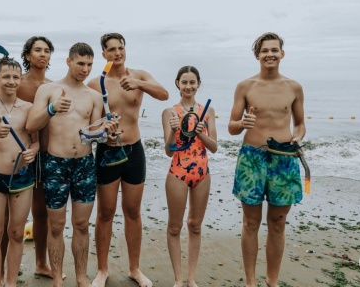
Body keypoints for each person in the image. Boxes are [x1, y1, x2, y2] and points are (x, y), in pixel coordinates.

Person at [27, 42, 118, 287]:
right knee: (56, 225)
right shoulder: (48, 90)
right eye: (80, 63)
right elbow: (31, 124)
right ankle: (57, 278)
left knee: (81, 225)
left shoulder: (94, 96)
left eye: (89, 65)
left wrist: (107, 131)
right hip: (55, 164)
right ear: (68, 61)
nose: (85, 69)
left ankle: (80, 278)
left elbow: (93, 134)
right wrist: (52, 108)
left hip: (85, 165)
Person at [0, 36, 57, 279]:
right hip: (6, 164)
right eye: (37, 50)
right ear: (27, 55)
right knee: (2, 224)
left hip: (40, 156)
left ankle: (40, 264)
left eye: (47, 50)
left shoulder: (52, 86)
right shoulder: (15, 82)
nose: (43, 54)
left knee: (39, 214)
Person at [87, 33, 169, 287]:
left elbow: (164, 94)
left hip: (134, 151)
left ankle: (135, 269)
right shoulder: (95, 84)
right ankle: (102, 271)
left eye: (120, 48)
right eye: (111, 49)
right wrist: (103, 135)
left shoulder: (139, 75)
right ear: (104, 55)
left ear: (125, 49)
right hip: (108, 152)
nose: (117, 53)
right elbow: (89, 124)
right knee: (105, 213)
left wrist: (138, 83)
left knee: (133, 212)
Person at [228, 32, 306, 287]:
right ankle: (251, 282)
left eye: (274, 50)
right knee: (251, 223)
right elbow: (231, 127)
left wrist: (298, 138)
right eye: (264, 50)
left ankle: (272, 281)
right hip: (252, 159)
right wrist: (243, 123)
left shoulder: (294, 87)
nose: (270, 54)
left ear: (282, 53)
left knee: (278, 223)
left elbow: (300, 124)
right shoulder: (245, 86)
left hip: (284, 158)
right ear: (257, 55)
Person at [0, 57, 39, 287]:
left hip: (22, 177)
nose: (11, 81)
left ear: (20, 79)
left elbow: (36, 142)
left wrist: (33, 152)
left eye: (15, 77)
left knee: (16, 233)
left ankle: (11, 282)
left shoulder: (29, 108)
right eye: (6, 77)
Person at [162, 66, 218, 287]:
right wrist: (172, 130)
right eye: (184, 82)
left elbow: (213, 147)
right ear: (177, 83)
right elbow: (169, 151)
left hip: (202, 173)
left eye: (192, 82)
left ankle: (191, 278)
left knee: (195, 225)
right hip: (178, 172)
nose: (188, 86)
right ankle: (178, 278)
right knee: (174, 227)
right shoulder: (170, 112)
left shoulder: (207, 111)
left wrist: (201, 133)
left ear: (198, 84)